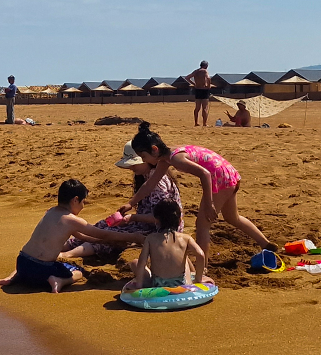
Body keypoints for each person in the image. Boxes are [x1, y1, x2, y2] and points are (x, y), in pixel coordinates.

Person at [124, 122, 275, 259]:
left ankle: (202, 269)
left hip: (220, 179)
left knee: (202, 224)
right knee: (232, 218)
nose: (144, 161)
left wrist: (209, 204)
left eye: (144, 156)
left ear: (154, 149)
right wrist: (131, 203)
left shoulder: (176, 159)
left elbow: (205, 174)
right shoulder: (166, 159)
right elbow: (150, 184)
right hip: (228, 174)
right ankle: (266, 244)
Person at [0, 179, 144, 293]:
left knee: (30, 258)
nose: (83, 206)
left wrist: (101, 242)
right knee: (78, 271)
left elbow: (83, 237)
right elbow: (102, 233)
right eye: (83, 202)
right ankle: (59, 281)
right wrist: (133, 237)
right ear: (75, 200)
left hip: (21, 263)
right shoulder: (72, 220)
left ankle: (11, 278)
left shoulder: (50, 211)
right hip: (41, 271)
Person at [62, 142, 183, 259]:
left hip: (160, 230)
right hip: (147, 224)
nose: (131, 167)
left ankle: (69, 254)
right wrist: (131, 205)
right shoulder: (148, 176)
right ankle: (67, 246)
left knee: (112, 235)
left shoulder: (158, 183)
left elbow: (162, 218)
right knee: (102, 226)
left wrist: (133, 218)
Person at [124, 200, 211, 291]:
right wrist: (199, 280)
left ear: (156, 220)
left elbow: (142, 262)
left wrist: (139, 286)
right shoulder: (186, 238)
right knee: (184, 258)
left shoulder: (150, 239)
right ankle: (195, 275)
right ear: (180, 220)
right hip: (181, 284)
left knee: (135, 263)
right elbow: (200, 255)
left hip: (158, 284)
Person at [186, 60, 212, 127]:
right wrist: (208, 86)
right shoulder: (205, 71)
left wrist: (194, 84)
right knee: (204, 108)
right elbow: (208, 78)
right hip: (204, 90)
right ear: (206, 66)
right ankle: (204, 123)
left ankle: (196, 122)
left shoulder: (196, 71)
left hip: (197, 89)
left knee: (197, 108)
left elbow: (187, 78)